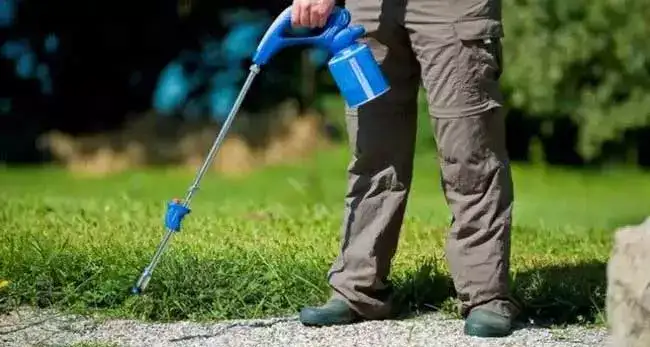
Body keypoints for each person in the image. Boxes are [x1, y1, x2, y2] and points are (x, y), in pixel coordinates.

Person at [290, 0, 519, 338]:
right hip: (371, 8)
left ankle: (486, 295)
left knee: (469, 151)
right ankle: (359, 288)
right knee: (373, 152)